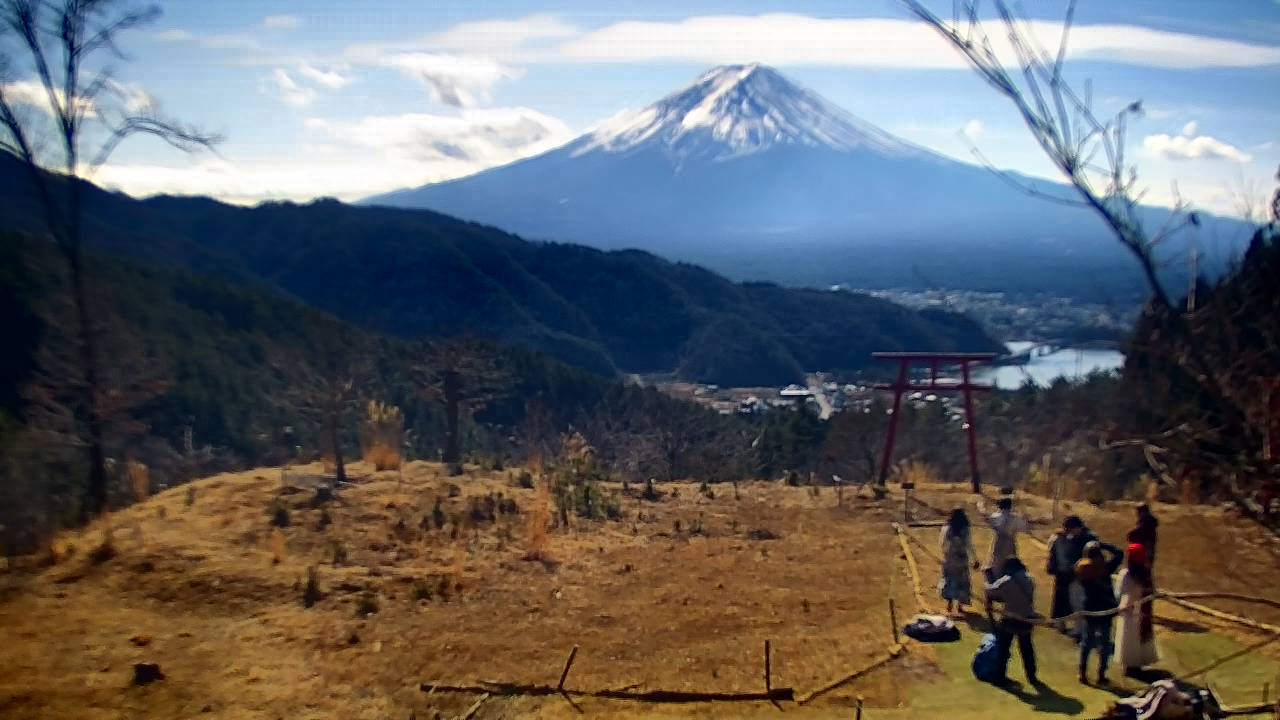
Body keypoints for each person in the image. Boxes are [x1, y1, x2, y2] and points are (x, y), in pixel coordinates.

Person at [1075, 540, 1124, 684]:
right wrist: (1104, 544)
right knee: (1105, 643)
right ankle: (1101, 675)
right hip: (1105, 609)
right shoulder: (1105, 568)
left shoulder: (1081, 568)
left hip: (1090, 609)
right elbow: (1119, 554)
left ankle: (1082, 673)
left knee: (1087, 642)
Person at [986, 557, 1040, 685]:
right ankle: (1032, 676)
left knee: (1004, 648)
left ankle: (1000, 675)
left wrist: (988, 578)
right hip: (1026, 618)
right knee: (1027, 649)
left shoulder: (1006, 581)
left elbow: (991, 591)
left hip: (1011, 618)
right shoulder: (1029, 579)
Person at [1047, 515, 1097, 635]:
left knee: (1078, 602)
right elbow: (1055, 553)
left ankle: (1079, 628)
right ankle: (1060, 623)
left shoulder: (1088, 538)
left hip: (1079, 575)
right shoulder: (1062, 538)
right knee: (1060, 599)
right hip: (1064, 573)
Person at [1115, 543, 1159, 673]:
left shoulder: (1126, 574)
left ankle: (1130, 665)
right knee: (1139, 636)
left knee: (1129, 637)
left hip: (1128, 610)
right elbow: (1153, 591)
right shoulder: (1146, 573)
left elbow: (1120, 592)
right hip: (1142, 610)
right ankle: (1139, 662)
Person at [939, 508, 980, 616]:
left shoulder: (947, 528)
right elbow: (969, 545)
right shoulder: (966, 529)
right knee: (962, 582)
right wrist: (974, 559)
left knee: (949, 580)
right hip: (962, 559)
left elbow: (942, 543)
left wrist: (945, 554)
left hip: (950, 559)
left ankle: (949, 605)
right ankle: (960, 607)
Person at [978, 495, 1028, 581]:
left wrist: (980, 506)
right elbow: (1024, 527)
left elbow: (986, 518)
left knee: (997, 567)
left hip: (999, 544)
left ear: (1000, 506)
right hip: (1011, 544)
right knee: (1011, 566)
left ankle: (997, 585)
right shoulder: (1015, 518)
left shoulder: (996, 516)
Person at [1126, 504, 1159, 569]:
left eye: (1139, 512)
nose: (1137, 514)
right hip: (1143, 555)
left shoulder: (1146, 525)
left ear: (1143, 512)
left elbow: (1133, 536)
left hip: (1142, 556)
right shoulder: (1149, 524)